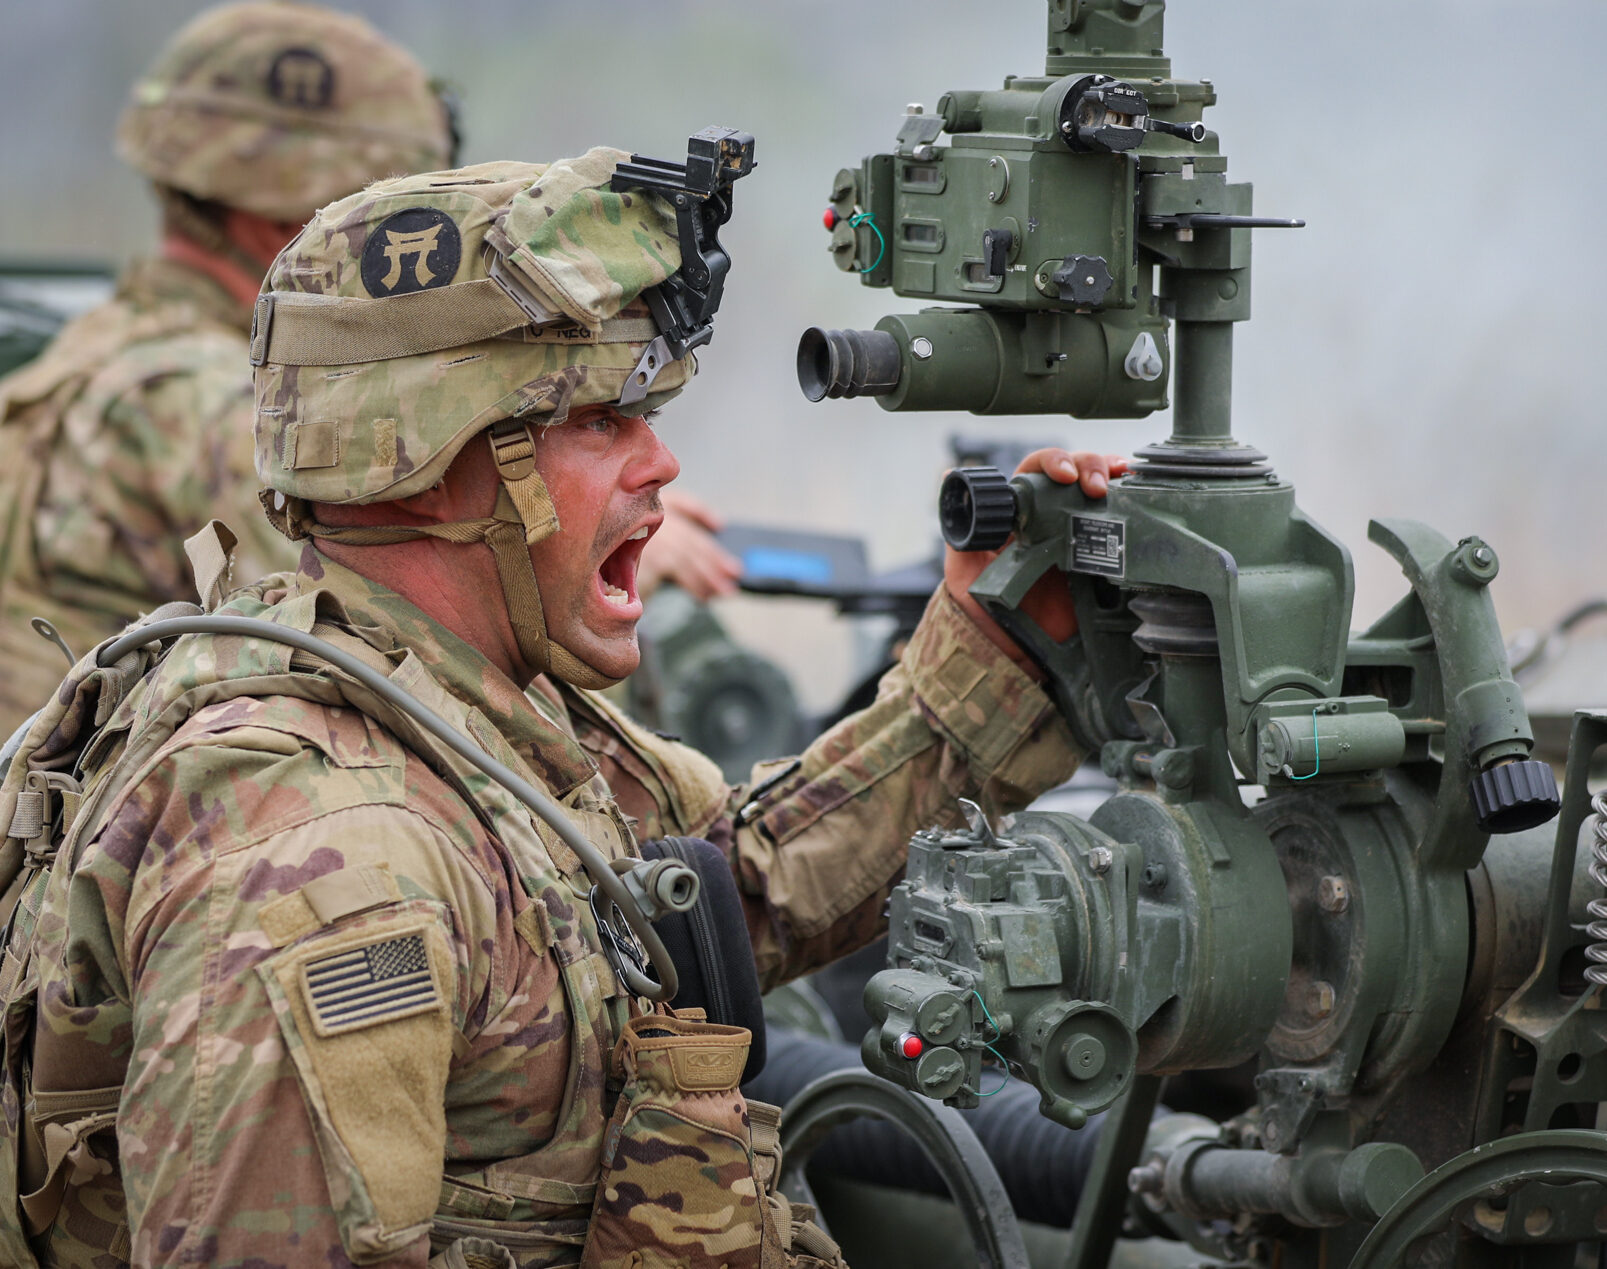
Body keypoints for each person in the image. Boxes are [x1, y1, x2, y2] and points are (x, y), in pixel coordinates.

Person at [1, 151, 1124, 1267]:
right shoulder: (332, 865)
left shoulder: (449, 699)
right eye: (601, 419)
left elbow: (717, 895)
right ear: (435, 463)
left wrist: (992, 652)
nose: (660, 463)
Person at [0, 1, 457, 736]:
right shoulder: (217, 402)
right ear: (293, 221)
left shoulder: (100, 345)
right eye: (374, 221)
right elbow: (393, 655)